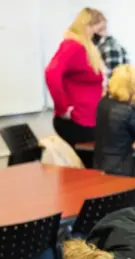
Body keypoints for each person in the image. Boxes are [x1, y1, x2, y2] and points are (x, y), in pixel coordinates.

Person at [45, 7, 106, 167]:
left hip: (90, 119)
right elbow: (51, 73)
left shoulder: (87, 49)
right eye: (99, 29)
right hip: (78, 121)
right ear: (87, 26)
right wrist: (63, 107)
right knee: (88, 173)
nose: (102, 35)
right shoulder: (72, 46)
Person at [93, 64, 135, 176]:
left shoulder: (102, 104)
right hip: (120, 172)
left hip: (100, 167)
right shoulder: (128, 111)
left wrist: (133, 143)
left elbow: (116, 134)